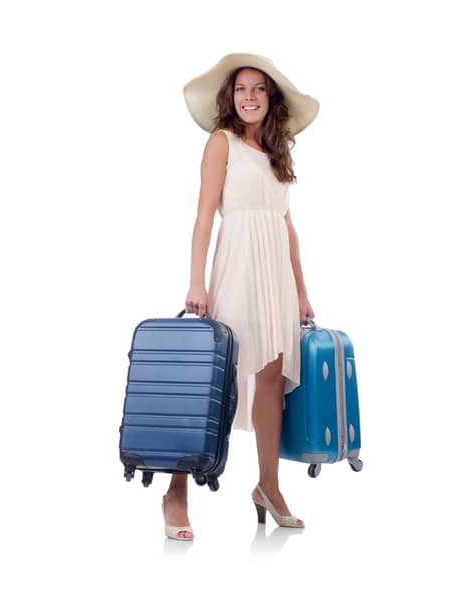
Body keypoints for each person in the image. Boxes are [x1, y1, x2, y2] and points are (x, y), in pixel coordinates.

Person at [171, 53, 319, 541]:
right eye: (241, 89)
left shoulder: (277, 153)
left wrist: (301, 291)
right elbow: (202, 216)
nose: (249, 96)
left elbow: (287, 226)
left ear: (270, 97)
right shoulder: (221, 143)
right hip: (237, 263)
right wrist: (197, 282)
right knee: (214, 379)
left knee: (271, 379)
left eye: (258, 88)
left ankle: (268, 488)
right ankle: (176, 492)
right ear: (230, 98)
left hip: (274, 270)